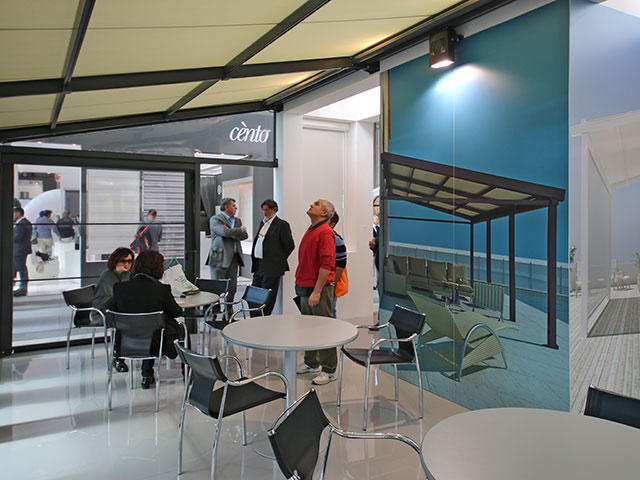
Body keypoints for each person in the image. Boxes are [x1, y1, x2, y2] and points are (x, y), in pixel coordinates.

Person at [112, 250, 184, 389]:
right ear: (158, 268)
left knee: (145, 328)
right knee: (172, 330)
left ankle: (147, 375)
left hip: (127, 341)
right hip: (156, 342)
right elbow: (177, 312)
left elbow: (115, 312)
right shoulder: (161, 289)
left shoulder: (119, 288)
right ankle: (186, 373)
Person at [295, 199, 337, 385]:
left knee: (323, 328)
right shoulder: (312, 229)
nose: (311, 204)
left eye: (317, 204)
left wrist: (317, 291)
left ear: (324, 213)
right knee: (308, 328)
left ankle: (329, 370)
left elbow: (327, 264)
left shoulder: (325, 232)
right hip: (305, 287)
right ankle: (312, 363)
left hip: (317, 289)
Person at [92, 247, 134, 372]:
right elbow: (121, 294)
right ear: (115, 261)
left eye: (129, 261)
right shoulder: (108, 275)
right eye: (123, 261)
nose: (126, 264)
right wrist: (125, 274)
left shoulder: (131, 274)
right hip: (102, 313)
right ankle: (118, 357)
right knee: (123, 322)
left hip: (118, 310)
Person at [250, 199, 295, 316]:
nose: (265, 213)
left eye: (267, 210)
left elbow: (289, 245)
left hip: (272, 266)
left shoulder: (282, 225)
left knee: (268, 294)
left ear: (275, 209)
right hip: (259, 264)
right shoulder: (263, 223)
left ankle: (265, 316)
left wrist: (278, 259)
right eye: (263, 210)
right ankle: (255, 316)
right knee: (255, 290)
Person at [206, 197, 248, 318]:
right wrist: (239, 230)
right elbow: (224, 232)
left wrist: (233, 231)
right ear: (226, 207)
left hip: (234, 258)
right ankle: (212, 314)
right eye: (233, 205)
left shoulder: (237, 220)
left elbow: (244, 236)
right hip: (219, 259)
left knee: (232, 288)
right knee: (216, 288)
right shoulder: (215, 219)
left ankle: (229, 314)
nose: (236, 208)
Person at [328, 212, 347, 318]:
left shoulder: (336, 239)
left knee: (330, 309)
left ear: (332, 224)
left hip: (329, 282)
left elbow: (341, 264)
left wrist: (332, 283)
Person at [13, 207, 32, 297]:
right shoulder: (24, 223)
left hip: (20, 249)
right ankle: (22, 288)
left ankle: (22, 288)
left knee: (21, 268)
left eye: (14, 213)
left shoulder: (22, 224)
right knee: (21, 268)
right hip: (21, 249)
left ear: (18, 213)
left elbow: (17, 237)